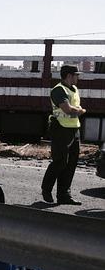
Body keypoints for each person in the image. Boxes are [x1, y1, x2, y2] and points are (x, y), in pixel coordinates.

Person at [41, 65, 86, 205]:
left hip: (73, 130)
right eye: (76, 75)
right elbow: (67, 109)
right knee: (60, 162)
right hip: (60, 129)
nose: (78, 77)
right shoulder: (58, 90)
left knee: (71, 163)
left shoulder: (74, 89)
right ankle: (46, 189)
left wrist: (77, 110)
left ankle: (64, 195)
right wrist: (79, 110)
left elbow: (73, 108)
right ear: (69, 75)